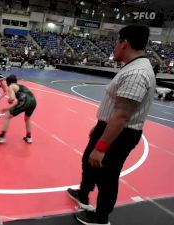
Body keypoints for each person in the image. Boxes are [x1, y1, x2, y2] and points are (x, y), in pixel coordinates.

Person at [67, 25, 156, 225]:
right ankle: (83, 193)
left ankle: (101, 217)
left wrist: (101, 146)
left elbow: (123, 115)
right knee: (87, 161)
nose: (114, 46)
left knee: (107, 175)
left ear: (125, 43)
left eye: (116, 42)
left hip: (121, 133)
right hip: (110, 127)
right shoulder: (132, 67)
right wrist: (100, 126)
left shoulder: (136, 74)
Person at [0, 74, 37, 144]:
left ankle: (1, 137)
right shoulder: (21, 87)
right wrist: (7, 109)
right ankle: (29, 137)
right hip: (33, 101)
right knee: (27, 119)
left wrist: (10, 100)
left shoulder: (11, 86)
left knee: (7, 116)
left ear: (8, 82)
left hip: (26, 101)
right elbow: (20, 102)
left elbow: (13, 98)